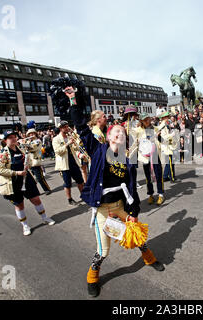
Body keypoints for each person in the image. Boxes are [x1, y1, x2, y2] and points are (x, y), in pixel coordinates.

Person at [65, 90, 165, 298]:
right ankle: (92, 278)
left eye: (123, 133)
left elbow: (131, 190)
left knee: (137, 236)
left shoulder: (127, 161)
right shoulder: (98, 150)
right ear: (108, 136)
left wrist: (134, 212)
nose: (120, 134)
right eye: (116, 132)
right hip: (102, 209)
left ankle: (149, 258)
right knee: (104, 251)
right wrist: (74, 101)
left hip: (120, 205)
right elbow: (83, 129)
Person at [0, 130, 55, 236]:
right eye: (10, 137)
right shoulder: (2, 153)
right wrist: (17, 173)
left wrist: (29, 165)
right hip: (12, 183)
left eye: (14, 136)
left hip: (27, 179)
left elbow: (32, 156)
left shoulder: (21, 148)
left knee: (36, 199)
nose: (13, 138)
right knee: (19, 205)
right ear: (5, 140)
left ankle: (44, 217)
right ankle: (25, 225)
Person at [129, 112, 165, 205]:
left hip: (155, 154)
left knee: (158, 174)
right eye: (145, 120)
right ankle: (151, 194)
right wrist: (130, 119)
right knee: (148, 176)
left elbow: (162, 139)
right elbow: (130, 131)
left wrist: (159, 136)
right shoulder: (139, 130)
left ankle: (160, 194)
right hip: (145, 156)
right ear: (142, 121)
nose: (148, 121)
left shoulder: (155, 128)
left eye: (148, 119)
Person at [53, 121, 84, 206]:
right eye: (64, 127)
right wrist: (67, 144)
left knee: (80, 180)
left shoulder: (70, 136)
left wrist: (76, 143)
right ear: (60, 128)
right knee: (68, 183)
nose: (67, 128)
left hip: (73, 162)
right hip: (64, 165)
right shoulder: (56, 139)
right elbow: (58, 151)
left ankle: (84, 195)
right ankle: (70, 199)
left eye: (67, 126)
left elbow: (77, 147)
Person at [25, 129, 52, 195]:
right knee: (32, 180)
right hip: (29, 162)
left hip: (36, 162)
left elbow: (32, 148)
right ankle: (36, 191)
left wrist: (24, 144)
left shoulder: (38, 141)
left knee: (40, 178)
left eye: (33, 133)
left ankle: (47, 189)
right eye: (30, 134)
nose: (31, 135)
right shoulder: (28, 142)